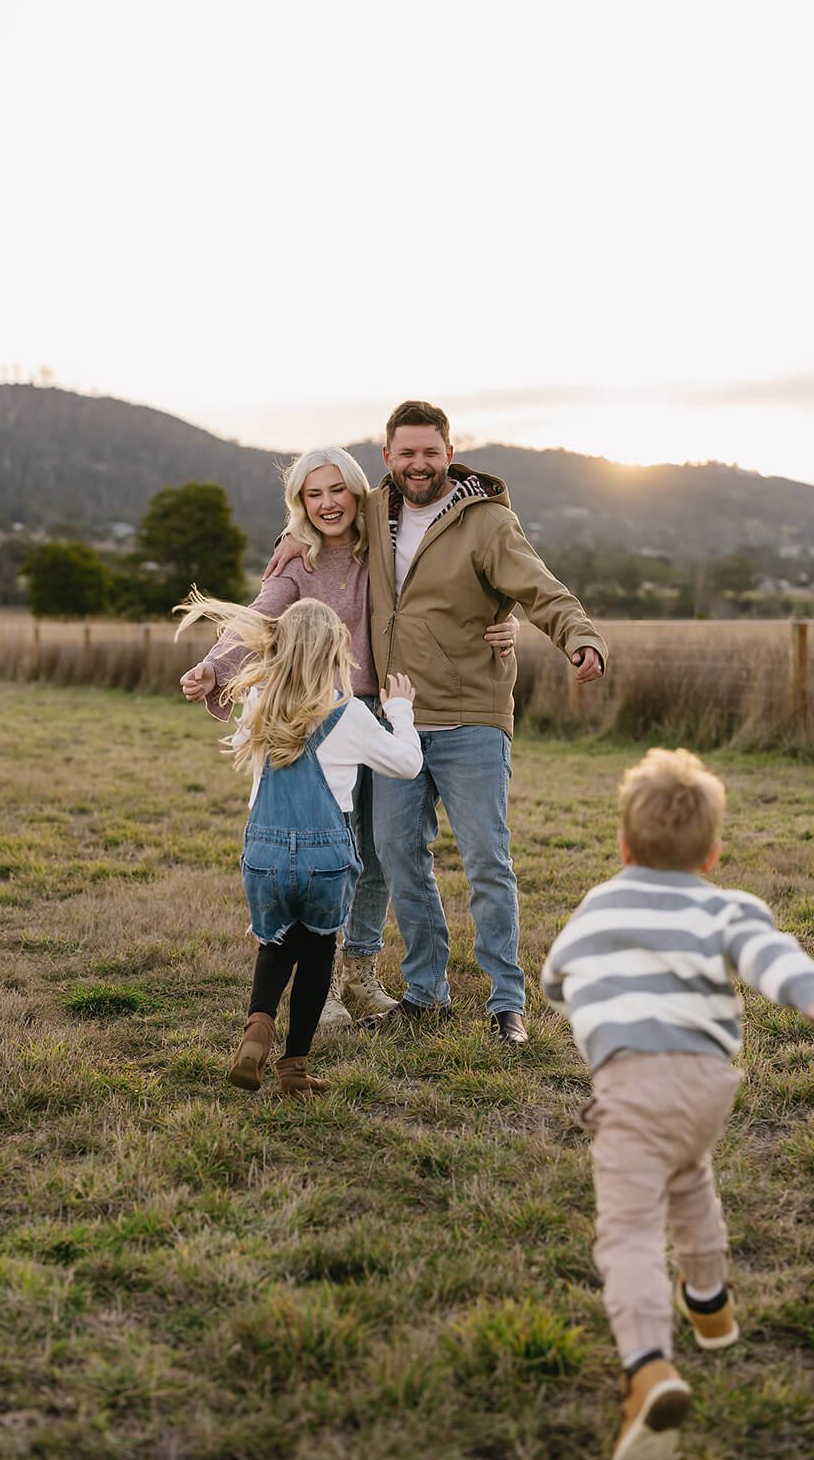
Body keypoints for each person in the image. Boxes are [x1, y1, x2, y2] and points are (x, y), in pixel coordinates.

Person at [540, 746, 814, 1460]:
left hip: (633, 1083)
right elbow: (766, 951)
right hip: (709, 1084)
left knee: (626, 1231)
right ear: (714, 854)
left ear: (623, 846)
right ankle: (711, 1303)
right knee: (688, 1177)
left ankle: (650, 1367)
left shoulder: (601, 903)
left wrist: (576, 997)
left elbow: (555, 976)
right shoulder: (728, 905)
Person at [268, 400, 607, 1047]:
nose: (417, 464)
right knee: (398, 857)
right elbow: (317, 523)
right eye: (405, 453)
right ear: (387, 459)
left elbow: (540, 587)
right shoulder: (372, 511)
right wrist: (287, 552)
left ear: (449, 453)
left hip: (471, 716)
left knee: (486, 859)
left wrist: (579, 638)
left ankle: (507, 1002)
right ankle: (426, 993)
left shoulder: (488, 523)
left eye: (430, 452)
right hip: (397, 720)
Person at [180, 446, 517, 1029]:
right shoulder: (298, 562)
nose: (328, 503)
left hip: (384, 710)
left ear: (358, 492)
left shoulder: (384, 548)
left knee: (382, 850)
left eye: (337, 490)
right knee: (334, 846)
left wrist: (500, 617)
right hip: (328, 713)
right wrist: (216, 665)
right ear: (300, 504)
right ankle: (328, 979)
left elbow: (448, 578)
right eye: (314, 494)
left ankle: (361, 970)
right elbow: (261, 618)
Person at [174, 592, 422, 1097]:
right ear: (337, 654)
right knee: (316, 956)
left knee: (276, 944)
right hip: (324, 858)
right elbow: (406, 764)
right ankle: (293, 1070)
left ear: (277, 648)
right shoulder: (348, 713)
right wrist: (400, 711)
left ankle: (257, 1028)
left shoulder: (257, 701)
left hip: (263, 855)